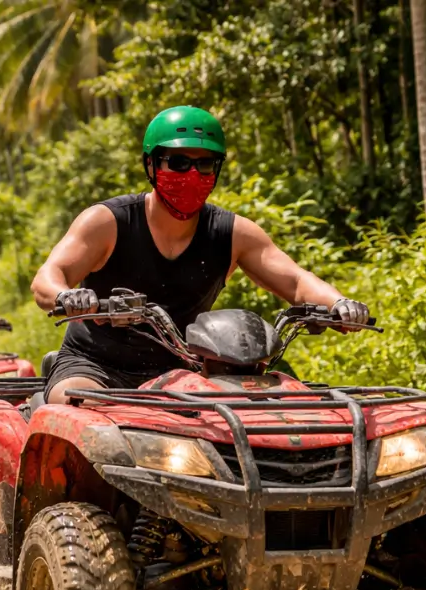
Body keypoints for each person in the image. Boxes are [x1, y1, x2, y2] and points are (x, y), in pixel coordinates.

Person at [30, 106, 370, 403]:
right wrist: (69, 297)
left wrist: (339, 304)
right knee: (81, 408)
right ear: (151, 165)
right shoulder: (108, 222)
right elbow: (48, 278)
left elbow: (295, 280)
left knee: (271, 408)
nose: (191, 175)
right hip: (95, 367)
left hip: (181, 371)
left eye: (204, 164)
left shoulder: (231, 232)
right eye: (177, 163)